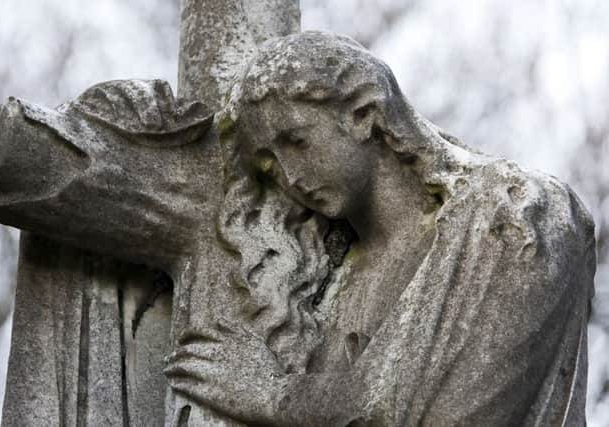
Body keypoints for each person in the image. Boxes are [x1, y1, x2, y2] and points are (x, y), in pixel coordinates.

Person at [164, 31, 596, 426]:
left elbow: (451, 414)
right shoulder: (333, 280)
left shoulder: (515, 213)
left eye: (297, 141)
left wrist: (279, 397)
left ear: (364, 113)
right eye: (268, 164)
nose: (290, 176)